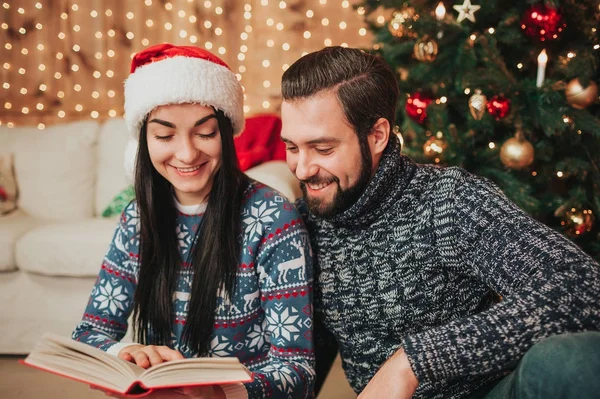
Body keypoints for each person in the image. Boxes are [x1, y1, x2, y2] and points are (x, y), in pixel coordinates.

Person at [279, 46, 600, 399]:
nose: (303, 169)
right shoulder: (301, 225)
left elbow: (584, 287)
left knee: (569, 360)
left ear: (377, 136)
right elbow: (304, 363)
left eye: (322, 149)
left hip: (486, 393)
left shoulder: (446, 200)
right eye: (292, 148)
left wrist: (416, 361)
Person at [72, 43, 315, 399]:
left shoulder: (273, 219)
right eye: (165, 135)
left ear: (226, 135)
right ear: (144, 141)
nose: (187, 154)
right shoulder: (137, 218)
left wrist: (219, 390)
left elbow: (298, 371)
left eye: (205, 133)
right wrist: (122, 354)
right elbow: (89, 332)